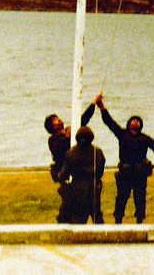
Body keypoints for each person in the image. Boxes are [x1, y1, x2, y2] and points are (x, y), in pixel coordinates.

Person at [96, 96, 154, 224]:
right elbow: (109, 122)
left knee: (140, 199)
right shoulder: (122, 134)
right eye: (133, 120)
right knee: (121, 198)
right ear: (129, 123)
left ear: (140, 125)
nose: (135, 122)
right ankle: (118, 221)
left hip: (140, 173)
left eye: (137, 121)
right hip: (125, 172)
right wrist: (102, 108)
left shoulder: (144, 138)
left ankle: (139, 221)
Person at [45, 93, 101, 223]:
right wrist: (68, 137)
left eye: (58, 119)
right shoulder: (53, 140)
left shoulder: (71, 131)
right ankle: (65, 226)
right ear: (52, 127)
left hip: (77, 174)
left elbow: (83, 120)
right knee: (69, 205)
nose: (59, 121)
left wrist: (93, 104)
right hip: (66, 176)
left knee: (86, 205)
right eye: (56, 120)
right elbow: (61, 152)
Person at [57, 126, 106, 224]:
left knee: (79, 216)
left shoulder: (71, 153)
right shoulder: (97, 152)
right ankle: (102, 236)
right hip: (94, 187)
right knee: (97, 215)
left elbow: (64, 174)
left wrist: (63, 180)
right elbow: (100, 170)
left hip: (77, 188)